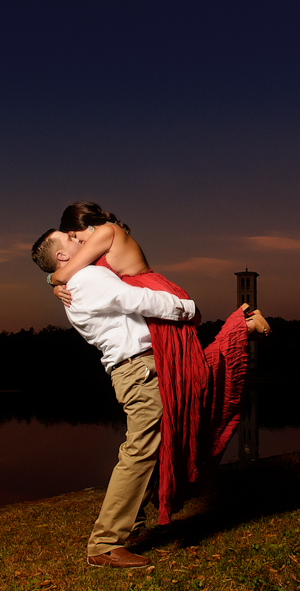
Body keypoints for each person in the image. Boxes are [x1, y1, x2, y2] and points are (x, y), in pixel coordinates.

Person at [47, 202, 270, 527]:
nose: (74, 243)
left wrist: (53, 281)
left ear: (83, 226)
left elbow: (63, 272)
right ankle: (133, 514)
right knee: (187, 383)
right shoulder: (102, 241)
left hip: (155, 298)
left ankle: (242, 326)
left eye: (73, 235)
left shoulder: (105, 231)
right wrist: (58, 283)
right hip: (152, 300)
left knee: (191, 378)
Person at [31, 229, 196, 569]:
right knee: (141, 448)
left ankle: (131, 523)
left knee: (154, 442)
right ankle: (105, 544)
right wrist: (186, 308)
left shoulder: (76, 280)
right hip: (137, 368)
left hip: (137, 367)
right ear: (63, 257)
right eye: (71, 239)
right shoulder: (88, 276)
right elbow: (136, 300)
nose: (80, 240)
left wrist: (52, 279)